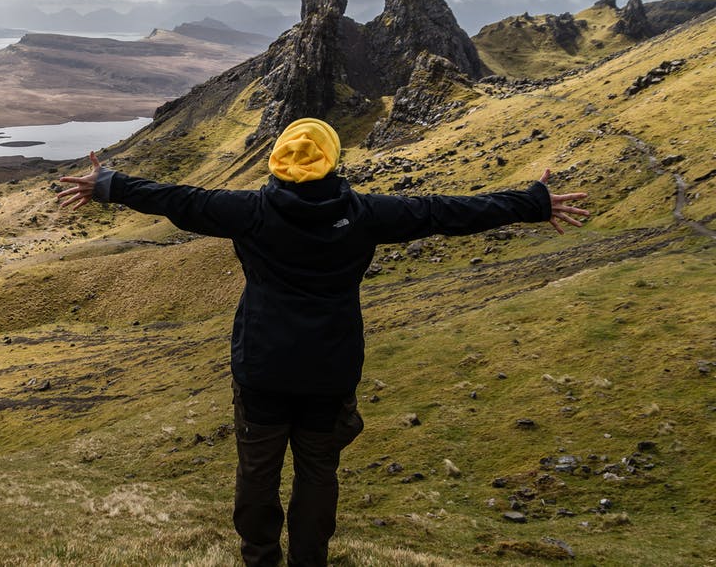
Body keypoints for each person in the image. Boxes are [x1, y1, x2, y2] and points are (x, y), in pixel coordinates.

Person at [56, 118, 589, 566]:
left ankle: (260, 557)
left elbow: (181, 201)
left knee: (257, 473)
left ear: (277, 164)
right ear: (332, 162)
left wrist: (109, 185)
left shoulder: (251, 212)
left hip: (262, 368)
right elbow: (444, 212)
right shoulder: (366, 215)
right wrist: (532, 202)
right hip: (330, 371)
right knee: (317, 472)